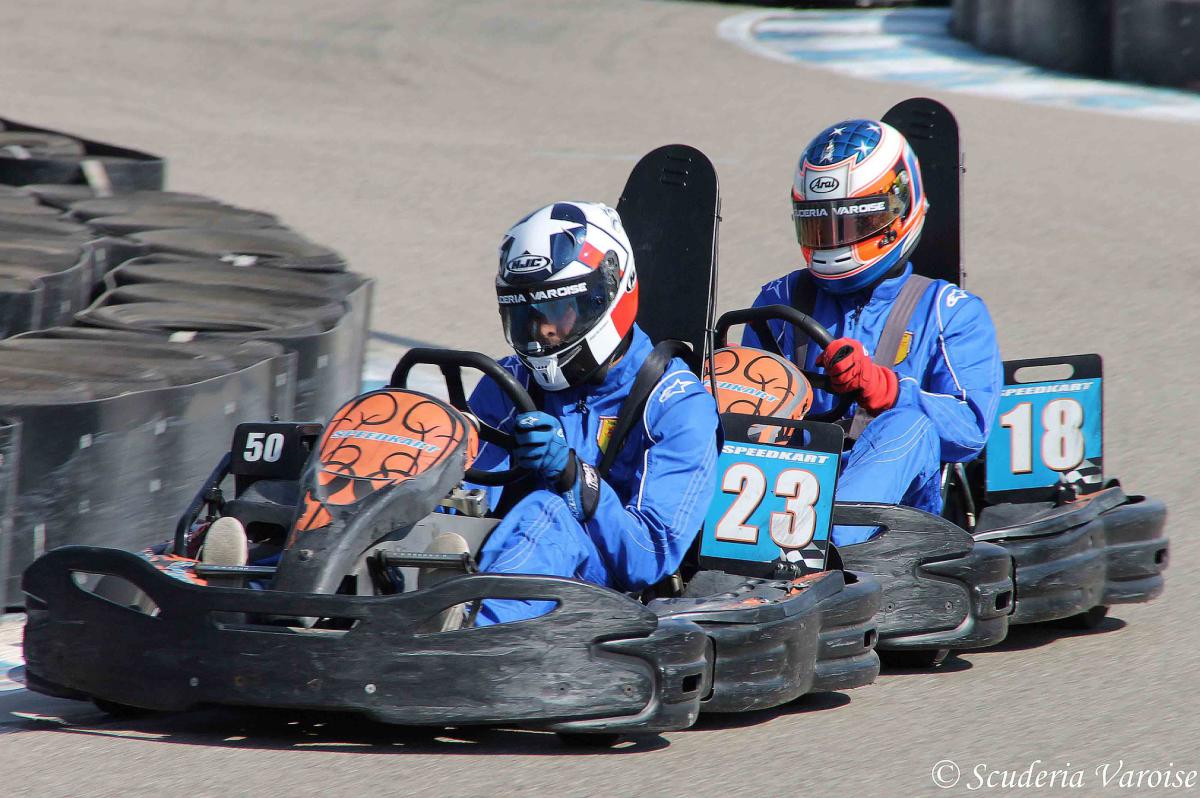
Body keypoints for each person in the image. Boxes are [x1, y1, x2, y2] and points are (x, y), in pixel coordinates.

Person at [744, 119, 1001, 546]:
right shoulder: (780, 300)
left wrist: (888, 389)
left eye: (851, 224)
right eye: (820, 226)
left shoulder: (950, 312)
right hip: (786, 489)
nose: (833, 241)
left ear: (898, 209)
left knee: (910, 424)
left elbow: (971, 429)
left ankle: (826, 547)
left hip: (897, 514)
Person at [463, 201, 720, 625]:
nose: (542, 331)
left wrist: (572, 476)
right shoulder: (508, 381)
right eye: (525, 314)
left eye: (557, 310)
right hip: (507, 559)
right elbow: (461, 499)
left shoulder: (676, 404)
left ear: (606, 295)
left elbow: (649, 555)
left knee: (547, 513)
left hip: (610, 593)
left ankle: (468, 638)